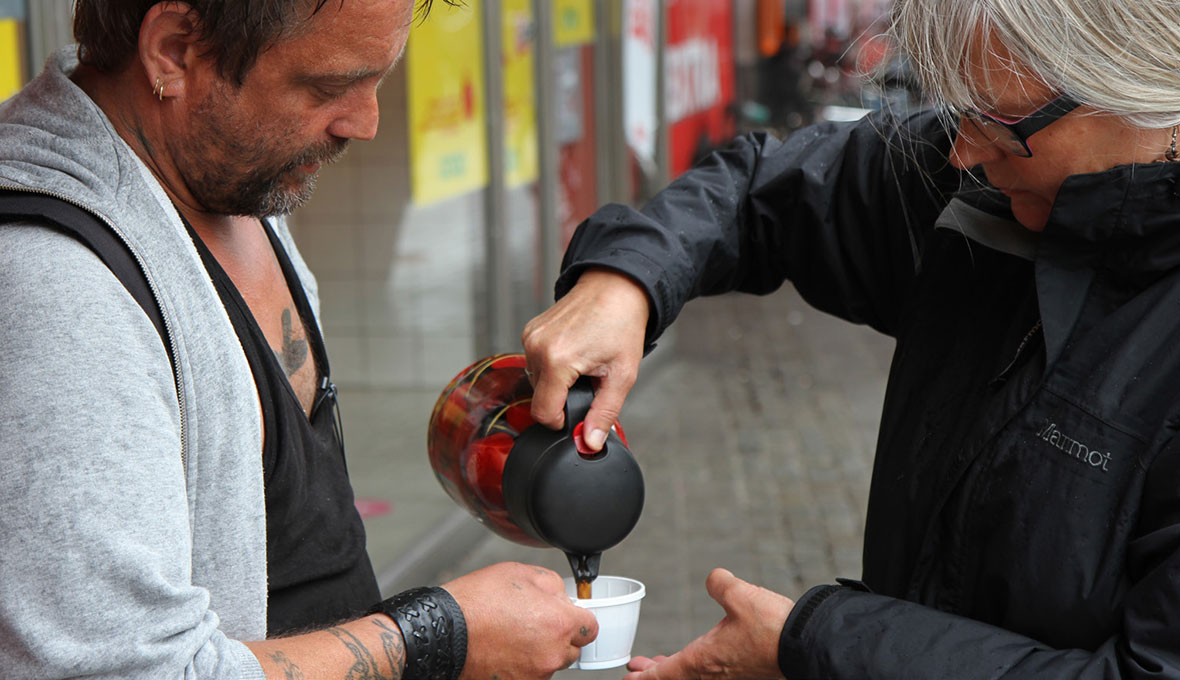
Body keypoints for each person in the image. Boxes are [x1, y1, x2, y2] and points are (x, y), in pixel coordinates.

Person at [522, 0, 1180, 677]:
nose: (964, 150)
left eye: (999, 121)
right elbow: (763, 189)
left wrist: (814, 643)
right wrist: (625, 279)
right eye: (959, 110)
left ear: (1140, 86)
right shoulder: (976, 187)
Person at [0, 1, 596, 678]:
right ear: (174, 51)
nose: (364, 123)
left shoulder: (217, 175)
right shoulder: (57, 288)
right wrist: (439, 637)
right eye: (328, 87)